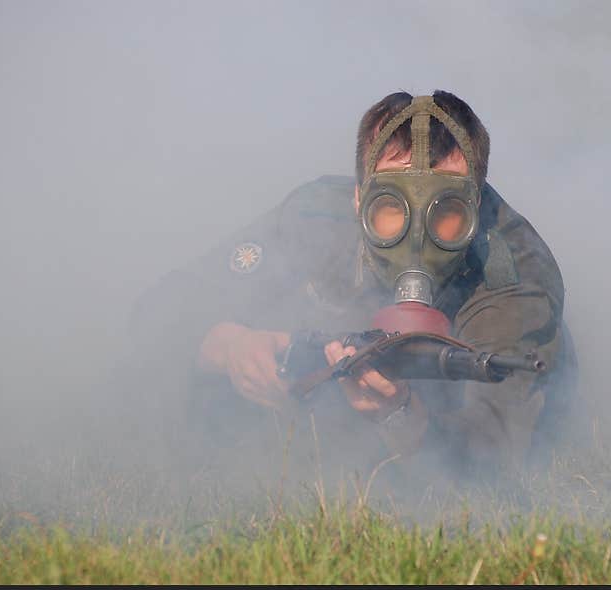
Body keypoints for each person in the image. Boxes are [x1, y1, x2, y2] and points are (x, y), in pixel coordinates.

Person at [126, 90, 575, 480]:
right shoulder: (315, 218)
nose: (416, 235)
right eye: (391, 206)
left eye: (446, 210)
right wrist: (231, 345)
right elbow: (163, 311)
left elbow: (496, 456)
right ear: (358, 198)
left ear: (476, 208)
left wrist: (403, 421)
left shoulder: (510, 270)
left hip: (462, 408)